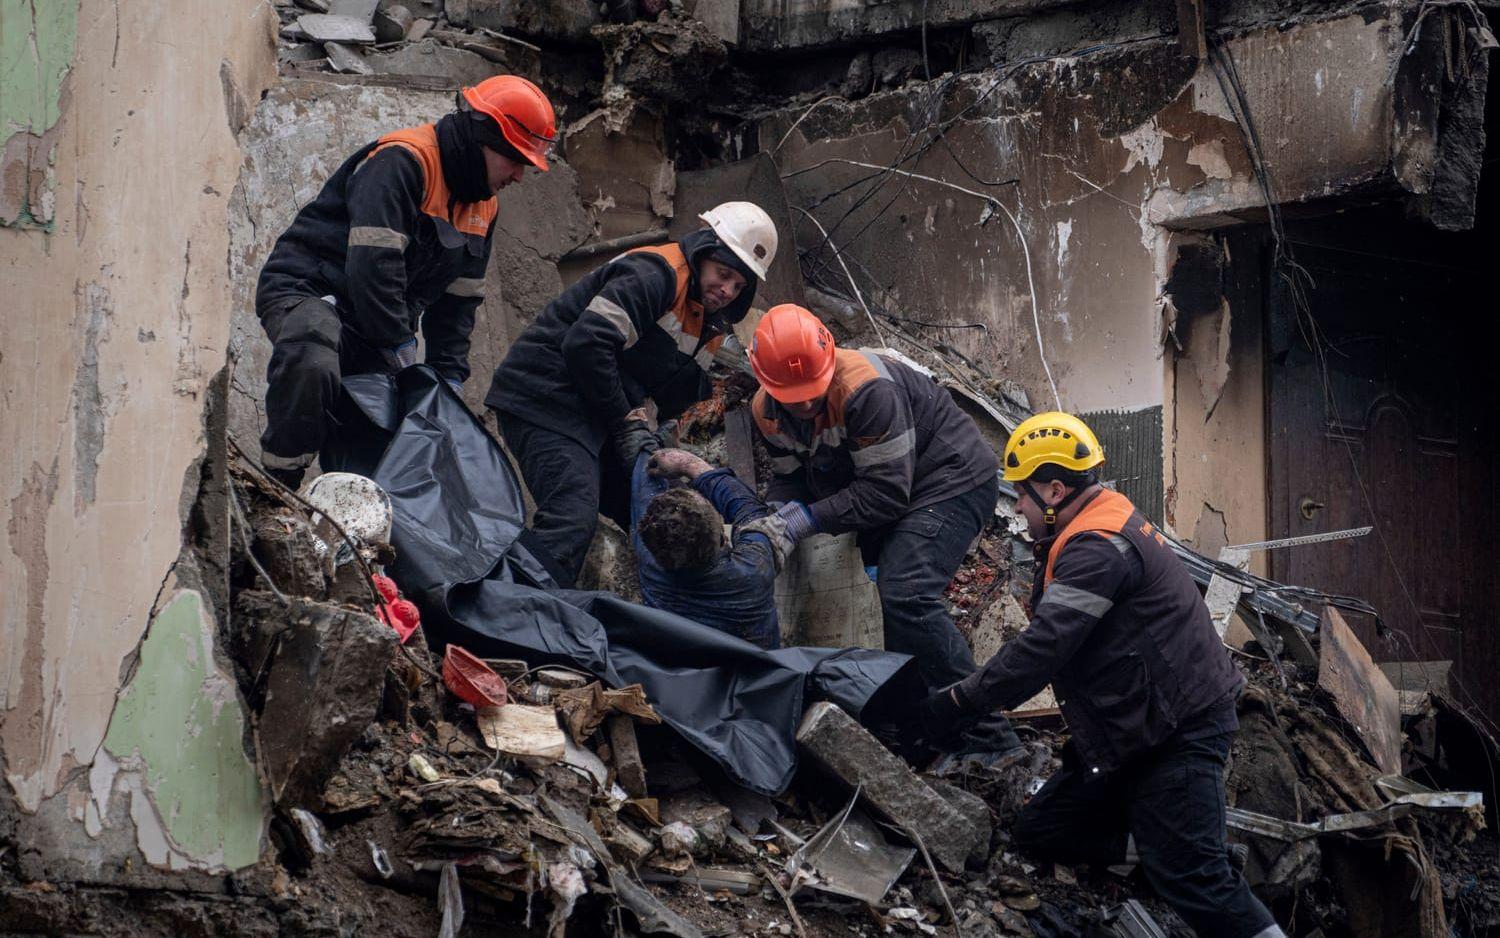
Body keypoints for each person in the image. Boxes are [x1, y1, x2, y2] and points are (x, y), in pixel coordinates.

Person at [923, 411, 1282, 938]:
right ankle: (1175, 844)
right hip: (1133, 733)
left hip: (1175, 733)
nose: (1017, 505)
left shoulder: (1097, 548)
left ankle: (1187, 855)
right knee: (1043, 828)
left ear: (1052, 488)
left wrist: (958, 702)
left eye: (1021, 493)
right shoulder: (1098, 520)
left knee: (1196, 881)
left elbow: (1041, 650)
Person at [742, 304, 1021, 763]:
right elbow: (792, 479)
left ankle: (992, 740)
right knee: (883, 612)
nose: (808, 404)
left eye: (814, 391)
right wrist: (776, 512)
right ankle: (921, 737)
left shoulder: (866, 388)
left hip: (951, 479)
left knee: (906, 593)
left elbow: (886, 495)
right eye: (794, 397)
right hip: (883, 490)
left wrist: (801, 521)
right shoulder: (765, 412)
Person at [254, 75, 556, 489]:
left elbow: (458, 304)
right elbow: (373, 270)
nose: (519, 175)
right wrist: (401, 351)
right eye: (516, 160)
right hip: (310, 290)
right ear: (484, 138)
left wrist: (447, 380)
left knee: (382, 434)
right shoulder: (402, 162)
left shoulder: (484, 207)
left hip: (374, 327)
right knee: (312, 357)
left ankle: (353, 520)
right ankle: (276, 489)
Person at [485, 202, 778, 588]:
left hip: (598, 411)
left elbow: (681, 388)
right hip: (545, 398)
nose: (726, 290)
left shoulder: (712, 323)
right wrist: (626, 419)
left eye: (739, 286)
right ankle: (508, 609)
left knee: (664, 519)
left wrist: (661, 432)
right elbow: (587, 345)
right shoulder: (654, 275)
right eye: (723, 274)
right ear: (704, 254)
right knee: (572, 515)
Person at [631, 447, 780, 649]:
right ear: (723, 538)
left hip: (679, 677)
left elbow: (645, 490)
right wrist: (690, 464)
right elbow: (751, 513)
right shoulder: (753, 571)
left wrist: (643, 437)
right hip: (757, 677)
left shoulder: (649, 560)